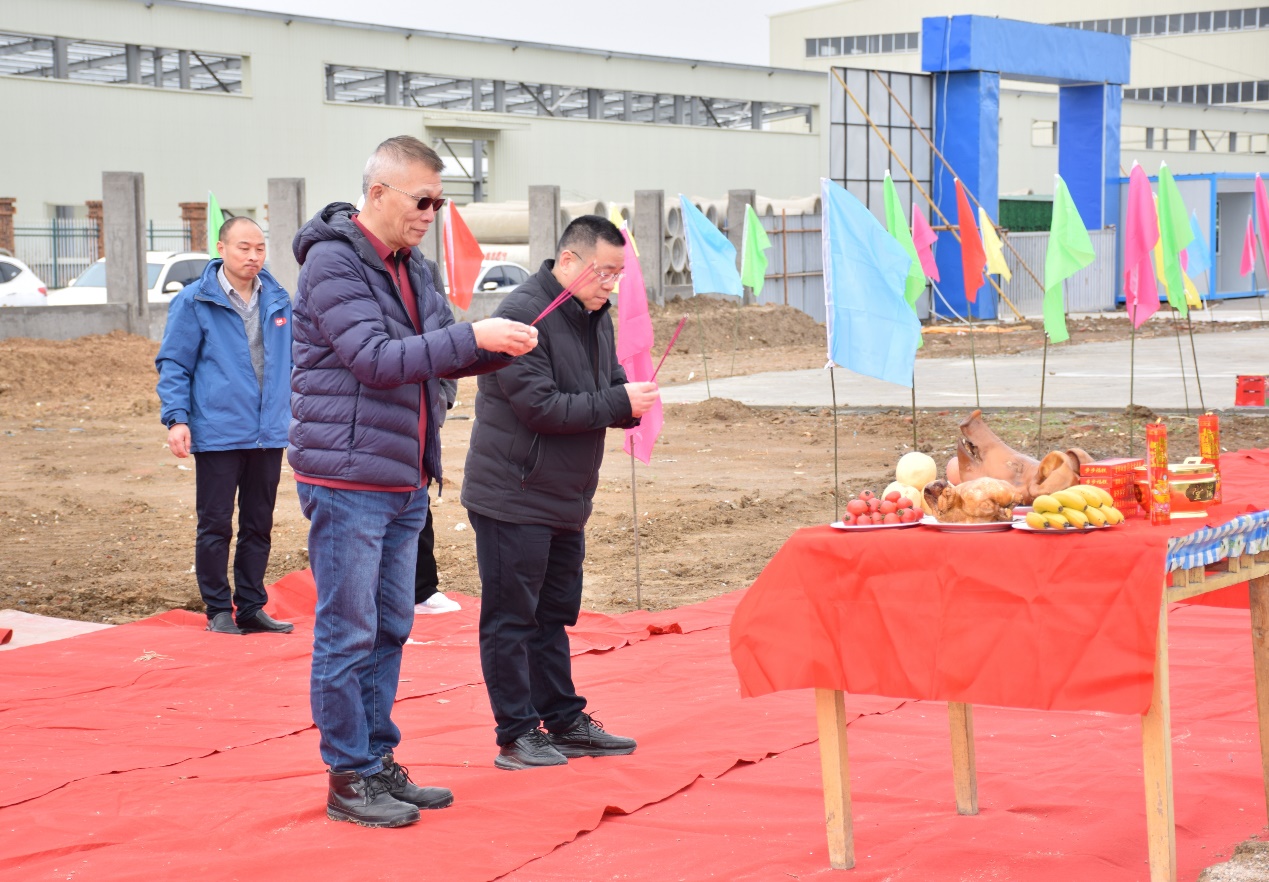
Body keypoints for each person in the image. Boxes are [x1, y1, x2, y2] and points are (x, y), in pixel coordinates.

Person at [289, 135, 537, 828]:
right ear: (378, 194)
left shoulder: (411, 266)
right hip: (347, 478)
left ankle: (375, 760)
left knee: (391, 627)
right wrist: (474, 339)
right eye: (422, 200)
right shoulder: (333, 262)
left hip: (403, 475)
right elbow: (373, 358)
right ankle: (349, 774)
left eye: (439, 202)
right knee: (348, 631)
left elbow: (437, 350)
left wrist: (497, 348)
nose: (431, 213)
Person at [461, 215, 661, 771]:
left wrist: (628, 399)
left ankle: (563, 719)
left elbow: (605, 384)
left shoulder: (594, 314)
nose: (611, 285)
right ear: (569, 261)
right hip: (513, 492)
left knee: (553, 614)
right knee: (511, 618)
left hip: (565, 496)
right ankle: (517, 732)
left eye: (619, 275)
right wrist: (619, 403)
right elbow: (540, 407)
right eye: (604, 272)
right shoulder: (523, 314)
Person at [156, 216, 295, 637]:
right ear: (221, 248)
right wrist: (177, 418)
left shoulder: (278, 299)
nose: (253, 256)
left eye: (259, 248)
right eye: (243, 248)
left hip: (268, 432)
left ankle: (251, 606)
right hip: (218, 431)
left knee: (259, 524)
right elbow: (174, 363)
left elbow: (296, 361)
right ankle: (218, 609)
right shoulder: (194, 301)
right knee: (215, 524)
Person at [414, 376, 462, 615]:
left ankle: (420, 591)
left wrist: (439, 400)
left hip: (420, 420)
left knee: (418, 504)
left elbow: (451, 360)